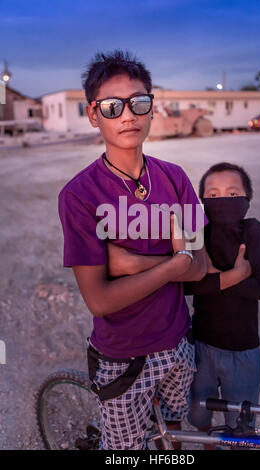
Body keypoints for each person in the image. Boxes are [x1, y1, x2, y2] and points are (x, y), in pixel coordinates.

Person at [58, 50, 209, 450]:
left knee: (171, 438)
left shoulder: (174, 179)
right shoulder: (79, 195)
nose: (128, 115)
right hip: (122, 358)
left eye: (139, 102)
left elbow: (201, 266)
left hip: (179, 343)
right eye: (112, 106)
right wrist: (175, 262)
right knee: (126, 451)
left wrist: (134, 263)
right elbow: (101, 300)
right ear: (93, 114)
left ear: (151, 109)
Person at [183, 162, 260, 449]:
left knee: (241, 426)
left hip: (243, 352)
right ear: (202, 200)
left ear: (248, 198)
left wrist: (215, 279)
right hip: (201, 347)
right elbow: (187, 286)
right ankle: (210, 442)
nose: (224, 200)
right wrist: (235, 276)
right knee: (198, 416)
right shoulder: (197, 231)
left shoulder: (253, 231)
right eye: (213, 193)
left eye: (233, 194)